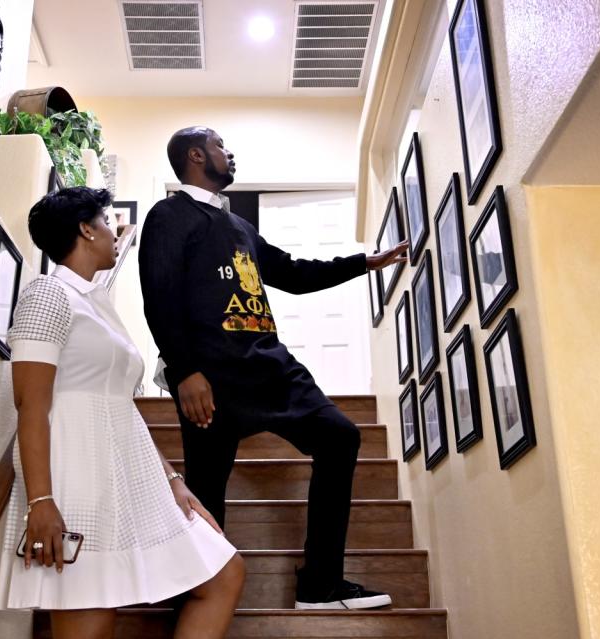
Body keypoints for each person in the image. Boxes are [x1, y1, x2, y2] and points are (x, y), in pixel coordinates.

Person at [139, 127, 409, 610]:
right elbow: (158, 294)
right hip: (211, 377)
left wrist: (363, 262)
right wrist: (184, 371)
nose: (231, 153)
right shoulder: (169, 215)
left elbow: (293, 274)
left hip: (270, 367)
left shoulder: (239, 227)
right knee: (206, 486)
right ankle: (196, 594)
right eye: (222, 145)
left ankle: (321, 585)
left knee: (340, 437)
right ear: (197, 155)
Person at [0, 187, 245, 639]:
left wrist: (171, 480)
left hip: (128, 474)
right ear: (86, 229)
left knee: (224, 573)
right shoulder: (48, 294)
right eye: (107, 221)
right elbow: (30, 405)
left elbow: (120, 410)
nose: (114, 232)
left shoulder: (97, 303)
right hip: (76, 479)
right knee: (92, 622)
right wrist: (41, 501)